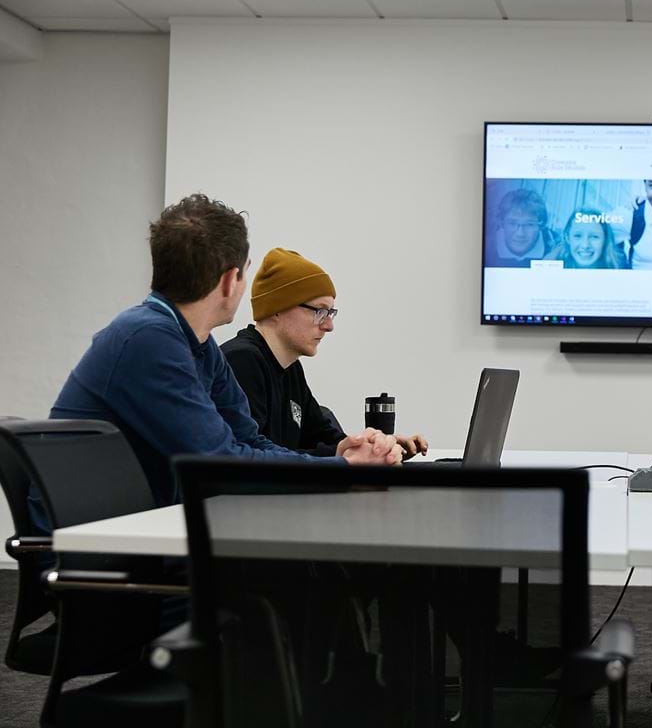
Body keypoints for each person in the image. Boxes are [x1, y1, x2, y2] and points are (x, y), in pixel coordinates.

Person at [34, 195, 400, 531]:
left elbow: (249, 440)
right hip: (91, 545)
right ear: (230, 281)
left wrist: (339, 465)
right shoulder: (148, 339)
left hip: (131, 528)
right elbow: (221, 464)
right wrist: (344, 469)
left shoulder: (197, 343)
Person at [221, 248, 429, 459]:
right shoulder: (242, 361)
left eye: (330, 313)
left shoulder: (290, 367)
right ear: (277, 307)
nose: (329, 326)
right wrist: (346, 457)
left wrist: (377, 446)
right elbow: (255, 458)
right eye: (319, 311)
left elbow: (323, 436)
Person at [485, 188, 556, 267]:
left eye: (529, 224)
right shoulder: (485, 247)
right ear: (501, 223)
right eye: (512, 224)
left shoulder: (557, 250)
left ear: (541, 225)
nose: (520, 233)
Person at [548, 209, 627, 269]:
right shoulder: (552, 270)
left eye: (594, 237)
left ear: (605, 240)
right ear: (568, 238)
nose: (585, 245)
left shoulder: (620, 272)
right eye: (577, 236)